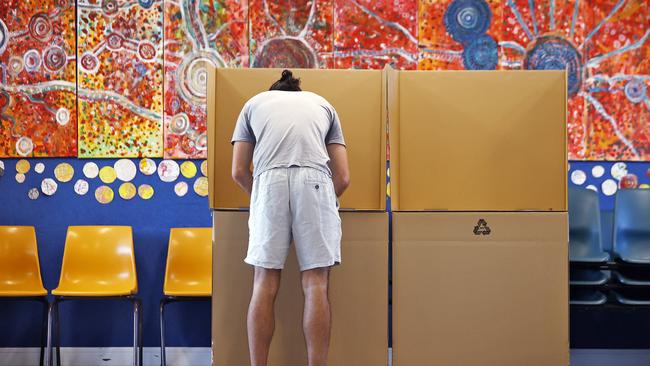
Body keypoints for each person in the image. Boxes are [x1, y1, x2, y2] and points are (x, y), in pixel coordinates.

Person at [231, 69, 350, 366]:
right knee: (316, 283)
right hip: (315, 181)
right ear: (298, 92)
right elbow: (344, 177)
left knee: (264, 282)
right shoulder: (323, 105)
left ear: (273, 91)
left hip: (268, 181)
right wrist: (325, 201)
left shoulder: (253, 104)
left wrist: (261, 199)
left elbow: (238, 171)